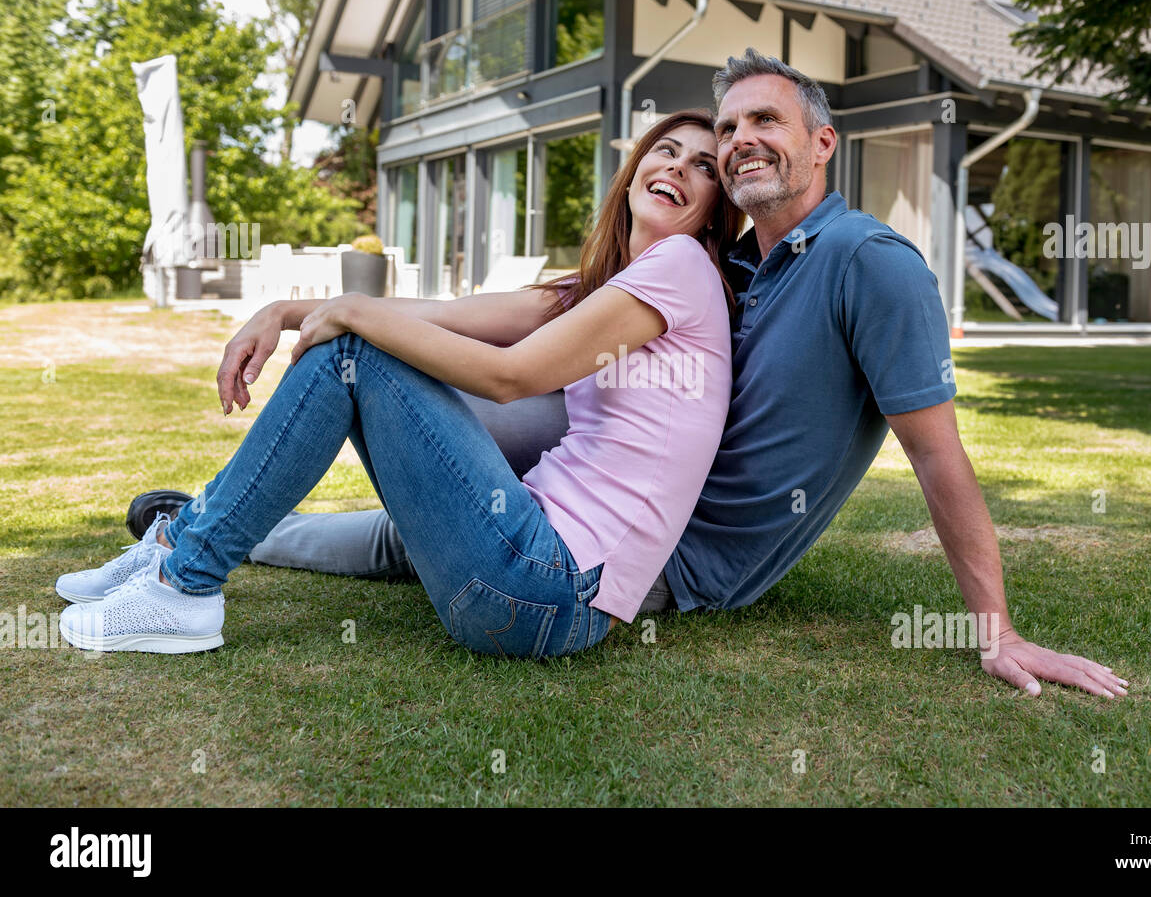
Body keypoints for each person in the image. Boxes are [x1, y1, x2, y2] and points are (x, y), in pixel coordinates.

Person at [121, 48, 1127, 699]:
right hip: (592, 500)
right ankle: (193, 527)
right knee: (405, 510)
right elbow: (503, 318)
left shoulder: (868, 265)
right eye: (721, 132)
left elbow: (938, 457)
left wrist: (995, 631)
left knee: (384, 375)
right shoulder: (736, 265)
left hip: (648, 560)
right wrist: (302, 304)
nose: (736, 146)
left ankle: (193, 563)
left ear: (825, 142)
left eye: (760, 125)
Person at [55, 108, 744, 659]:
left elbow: (512, 376)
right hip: (530, 576)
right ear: (634, 171)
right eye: (667, 151)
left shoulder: (683, 265)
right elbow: (445, 316)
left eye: (704, 167)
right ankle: (179, 549)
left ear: (715, 210)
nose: (678, 168)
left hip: (550, 586)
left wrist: (349, 313)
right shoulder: (602, 291)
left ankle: (185, 581)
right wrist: (285, 311)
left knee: (355, 353)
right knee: (357, 345)